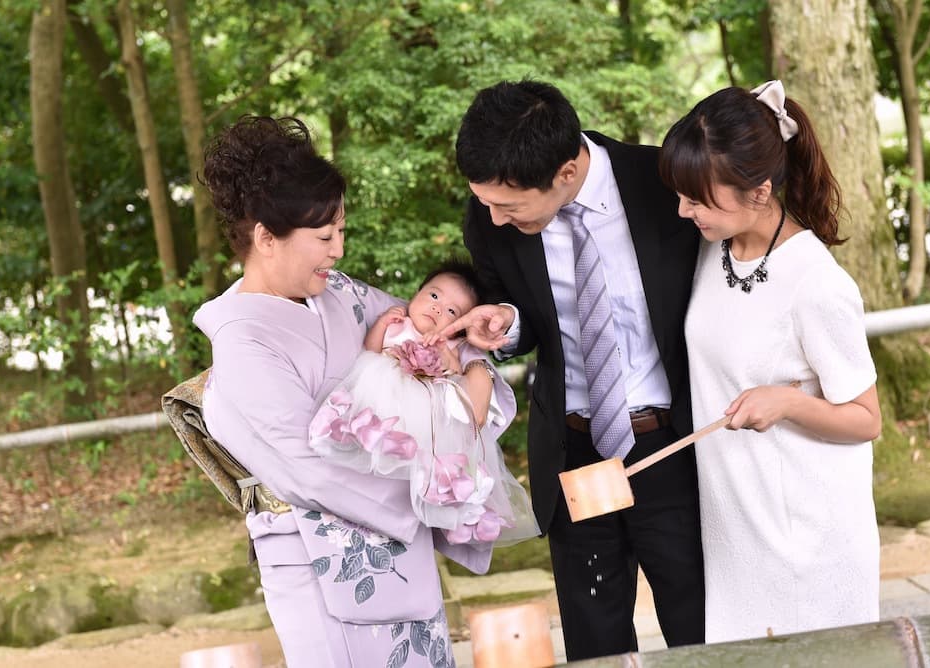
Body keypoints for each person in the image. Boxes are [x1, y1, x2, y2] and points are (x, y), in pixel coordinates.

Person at [192, 115, 485, 668]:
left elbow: (432, 329)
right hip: (314, 559)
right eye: (325, 237)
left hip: (400, 551)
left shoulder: (340, 294)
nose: (339, 251)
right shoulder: (243, 340)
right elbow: (309, 468)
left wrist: (472, 365)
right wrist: (432, 489)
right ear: (265, 238)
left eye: (342, 232)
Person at [440, 79, 705, 660]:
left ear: (565, 171)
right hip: (575, 457)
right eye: (485, 202)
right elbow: (520, 313)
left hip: (674, 448)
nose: (495, 218)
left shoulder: (665, 184)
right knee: (595, 641)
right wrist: (504, 323)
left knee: (700, 630)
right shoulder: (487, 218)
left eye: (508, 206)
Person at [658, 80, 882, 642]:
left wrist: (786, 401)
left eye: (696, 198)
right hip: (737, 531)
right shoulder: (716, 249)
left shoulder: (816, 284)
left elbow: (866, 418)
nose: (682, 210)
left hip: (808, 541)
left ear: (758, 193)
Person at [309, 260, 537, 548]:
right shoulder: (397, 324)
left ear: (458, 328)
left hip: (425, 409)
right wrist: (381, 325)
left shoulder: (452, 344)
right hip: (385, 389)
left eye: (452, 312)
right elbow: (371, 350)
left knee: (430, 442)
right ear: (416, 293)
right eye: (433, 296)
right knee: (373, 421)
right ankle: (373, 437)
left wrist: (445, 353)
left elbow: (455, 374)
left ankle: (436, 485)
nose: (438, 308)